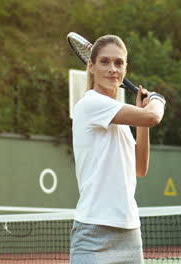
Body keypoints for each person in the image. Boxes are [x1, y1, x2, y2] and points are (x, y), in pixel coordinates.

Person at [69, 34, 166, 263]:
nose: (112, 69)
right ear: (91, 66)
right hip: (93, 234)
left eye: (118, 63)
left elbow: (140, 168)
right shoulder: (90, 104)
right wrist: (158, 100)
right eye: (104, 62)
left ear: (125, 69)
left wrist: (141, 116)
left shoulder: (117, 117)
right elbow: (153, 116)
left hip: (130, 234)